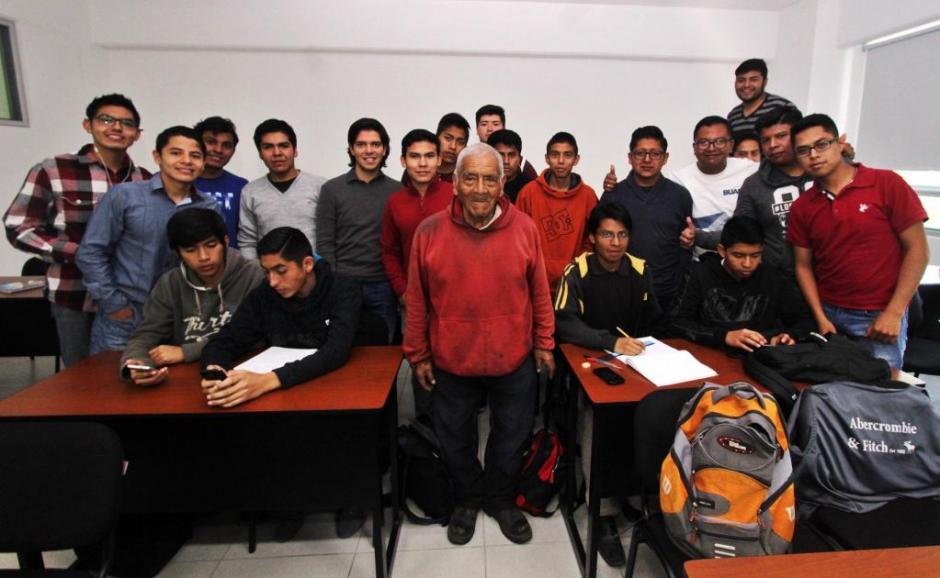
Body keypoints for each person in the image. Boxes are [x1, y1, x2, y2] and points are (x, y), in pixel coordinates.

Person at [404, 143, 555, 546]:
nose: (480, 188)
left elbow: (539, 291)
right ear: (454, 183)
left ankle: (500, 499)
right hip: (451, 360)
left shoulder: (524, 227)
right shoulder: (429, 232)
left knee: (512, 436)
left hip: (514, 358)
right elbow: (416, 299)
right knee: (455, 437)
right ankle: (468, 499)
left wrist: (544, 342)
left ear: (502, 183)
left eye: (490, 179)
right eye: (470, 178)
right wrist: (417, 353)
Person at [3, 93, 150, 367]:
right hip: (75, 293)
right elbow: (18, 225)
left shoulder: (143, 178)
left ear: (137, 134)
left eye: (126, 123)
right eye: (106, 120)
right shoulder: (54, 170)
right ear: (88, 125)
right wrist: (80, 253)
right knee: (81, 377)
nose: (116, 128)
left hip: (129, 296)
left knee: (128, 371)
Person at [554, 203, 664, 567]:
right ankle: (602, 512)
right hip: (588, 363)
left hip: (633, 363)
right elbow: (564, 323)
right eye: (606, 234)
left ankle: (634, 493)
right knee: (597, 420)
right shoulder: (578, 270)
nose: (614, 242)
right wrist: (608, 341)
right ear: (592, 237)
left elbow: (653, 319)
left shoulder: (640, 269)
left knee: (651, 414)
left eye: (621, 235)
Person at [788, 114, 929, 373]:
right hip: (830, 315)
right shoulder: (802, 206)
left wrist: (894, 312)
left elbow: (918, 251)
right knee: (835, 392)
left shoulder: (886, 183)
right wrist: (820, 316)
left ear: (840, 143)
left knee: (879, 399)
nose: (814, 155)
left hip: (878, 315)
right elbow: (803, 266)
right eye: (804, 150)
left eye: (822, 145)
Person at [77, 125, 219, 355]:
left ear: (203, 163)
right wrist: (116, 307)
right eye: (176, 153)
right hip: (127, 318)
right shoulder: (125, 196)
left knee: (175, 387)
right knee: (114, 385)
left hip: (182, 319)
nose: (186, 161)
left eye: (195, 155)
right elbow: (91, 253)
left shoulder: (209, 206)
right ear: (157, 157)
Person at [120, 209, 264, 385]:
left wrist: (185, 352)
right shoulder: (170, 283)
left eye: (211, 246)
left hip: (242, 371)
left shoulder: (255, 275)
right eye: (190, 250)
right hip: (184, 377)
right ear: (177, 253)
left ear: (225, 242)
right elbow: (146, 335)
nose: (203, 257)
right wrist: (137, 363)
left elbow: (256, 337)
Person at [672, 216, 812, 352]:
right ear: (722, 251)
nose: (747, 264)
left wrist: (789, 336)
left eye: (755, 256)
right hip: (711, 357)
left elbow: (804, 320)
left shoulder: (772, 277)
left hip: (761, 359)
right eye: (738, 256)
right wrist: (724, 336)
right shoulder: (699, 274)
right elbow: (676, 323)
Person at [317, 118, 402, 343]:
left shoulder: (398, 191)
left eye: (375, 144)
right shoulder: (332, 190)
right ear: (351, 150)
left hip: (383, 285)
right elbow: (325, 241)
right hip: (344, 284)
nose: (369, 150)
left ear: (384, 149)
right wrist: (334, 281)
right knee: (341, 347)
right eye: (361, 144)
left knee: (383, 352)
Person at [599, 125, 694, 311]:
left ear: (665, 158)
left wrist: (689, 241)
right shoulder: (613, 195)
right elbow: (598, 241)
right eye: (640, 153)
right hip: (620, 291)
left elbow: (685, 249)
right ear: (630, 158)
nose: (647, 160)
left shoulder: (680, 196)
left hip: (667, 294)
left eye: (655, 154)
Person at [733, 107, 812, 278]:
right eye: (766, 140)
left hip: (835, 278)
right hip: (781, 283)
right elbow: (741, 233)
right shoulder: (754, 185)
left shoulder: (824, 172)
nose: (773, 145)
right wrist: (699, 237)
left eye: (781, 136)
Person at [516, 132, 598, 294]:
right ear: (547, 158)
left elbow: (596, 236)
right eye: (555, 155)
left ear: (576, 159)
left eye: (567, 155)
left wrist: (579, 264)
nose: (561, 161)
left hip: (574, 284)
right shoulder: (529, 192)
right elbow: (517, 237)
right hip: (535, 283)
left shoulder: (587, 195)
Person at [238, 119, 325, 260]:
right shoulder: (250, 192)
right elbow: (247, 240)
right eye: (268, 147)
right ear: (260, 153)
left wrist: (323, 270)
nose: (277, 153)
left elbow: (330, 236)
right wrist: (258, 273)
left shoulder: (320, 186)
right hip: (270, 277)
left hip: (315, 274)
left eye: (283, 146)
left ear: (295, 150)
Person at [673, 116, 757, 256]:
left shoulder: (751, 170)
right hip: (701, 265)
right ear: (694, 148)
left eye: (719, 141)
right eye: (704, 142)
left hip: (746, 261)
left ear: (731, 145)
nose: (711, 148)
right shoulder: (679, 180)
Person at [194, 116, 248, 248]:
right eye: (211, 142)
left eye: (226, 145)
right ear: (196, 144)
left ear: (233, 151)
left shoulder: (241, 186)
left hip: (230, 264)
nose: (218, 150)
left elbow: (247, 235)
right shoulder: (177, 182)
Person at [727, 58, 795, 135]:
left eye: (754, 79)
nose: (746, 85)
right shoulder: (733, 116)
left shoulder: (783, 107)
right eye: (741, 80)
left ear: (765, 82)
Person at [475, 104, 537, 179]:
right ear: (477, 129)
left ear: (504, 127)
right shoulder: (468, 158)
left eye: (495, 124)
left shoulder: (522, 164)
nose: (490, 129)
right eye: (484, 124)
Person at [488, 129, 534, 203]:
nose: (506, 161)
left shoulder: (531, 189)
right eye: (500, 155)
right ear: (489, 157)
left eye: (511, 155)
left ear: (519, 158)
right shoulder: (480, 186)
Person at [436, 112, 470, 182]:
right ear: (436, 138)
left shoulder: (466, 178)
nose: (453, 146)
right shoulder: (419, 172)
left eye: (460, 142)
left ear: (465, 147)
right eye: (448, 138)